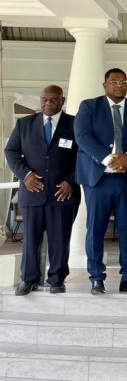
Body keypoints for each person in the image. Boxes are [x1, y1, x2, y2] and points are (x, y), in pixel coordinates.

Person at [74, 68, 127, 295]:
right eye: (114, 81)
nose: (120, 85)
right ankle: (96, 278)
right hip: (98, 178)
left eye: (123, 82)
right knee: (95, 229)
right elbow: (82, 136)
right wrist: (108, 159)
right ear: (105, 84)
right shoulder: (89, 107)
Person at [5, 85, 80, 295]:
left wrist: (71, 181)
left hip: (63, 193)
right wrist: (25, 175)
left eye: (53, 99)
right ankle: (29, 280)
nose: (48, 103)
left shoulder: (74, 124)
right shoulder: (24, 124)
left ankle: (57, 280)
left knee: (60, 240)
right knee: (30, 240)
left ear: (62, 100)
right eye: (44, 99)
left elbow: (83, 156)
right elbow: (11, 151)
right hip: (32, 192)